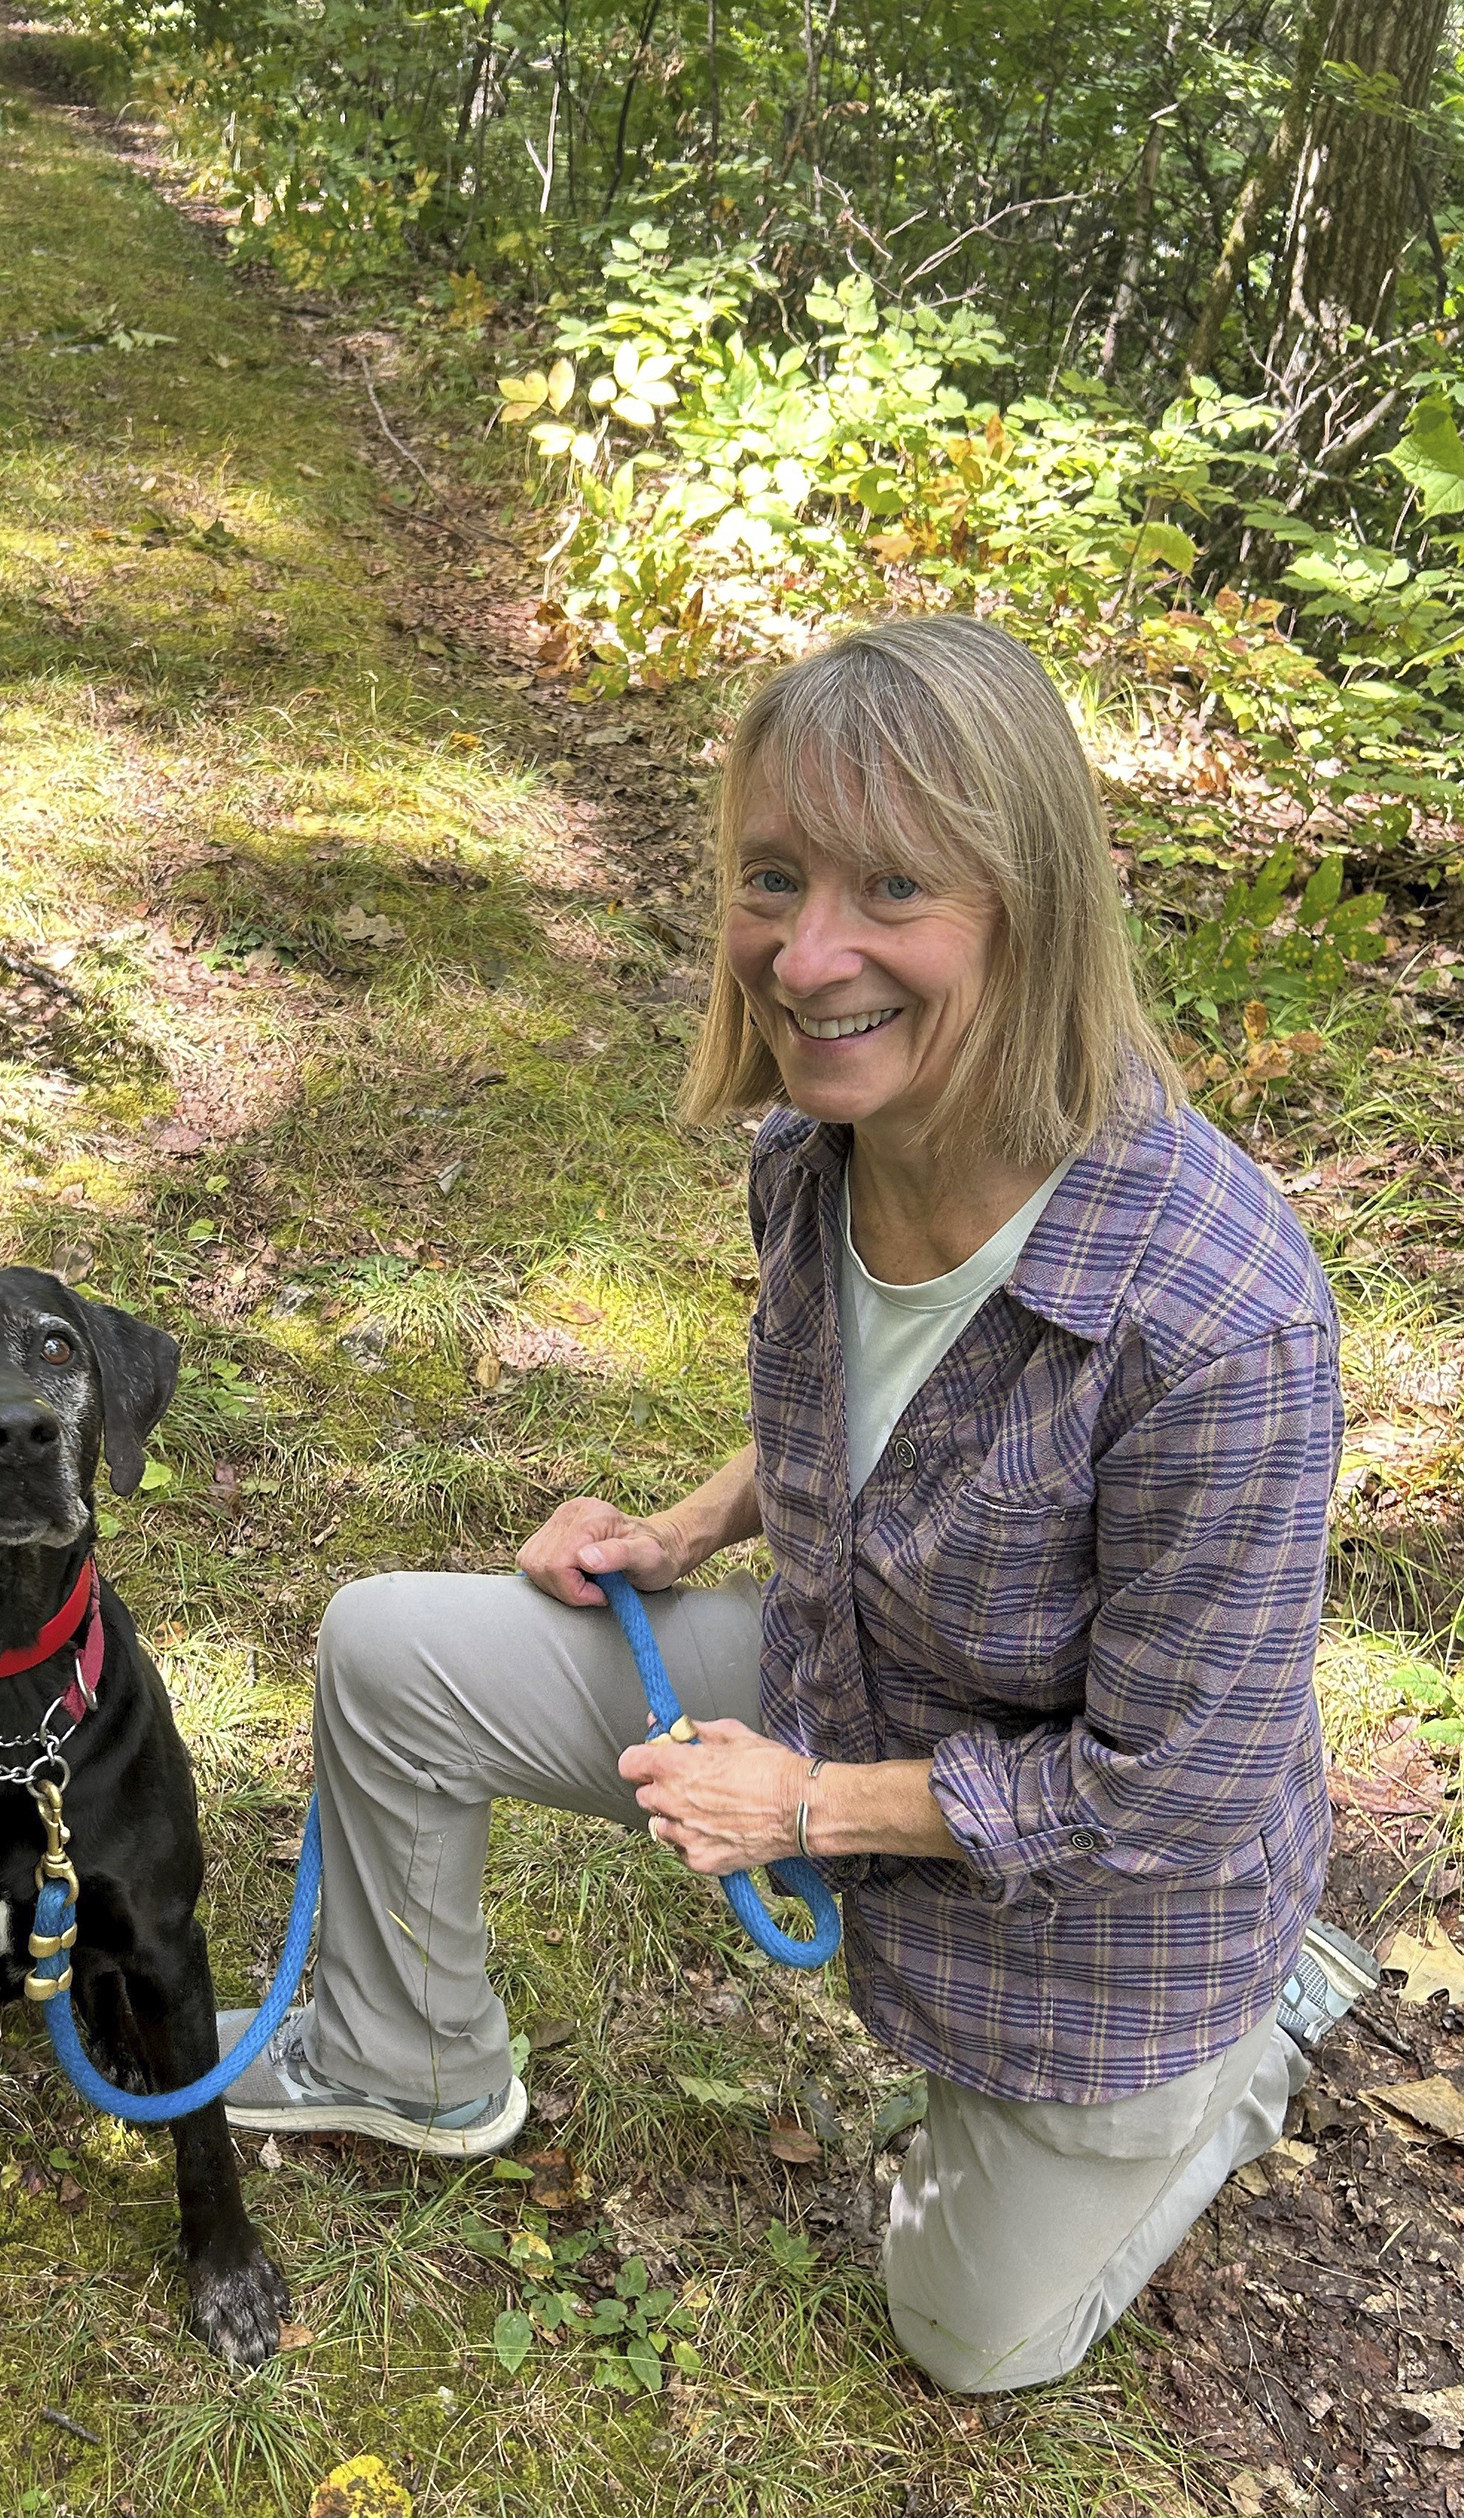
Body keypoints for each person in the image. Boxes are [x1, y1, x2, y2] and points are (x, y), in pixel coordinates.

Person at [215, 613, 1374, 2395]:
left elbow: (1173, 1792)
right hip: (862, 1685)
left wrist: (808, 1804)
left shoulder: (1217, 1321)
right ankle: (401, 2052)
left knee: (971, 2337)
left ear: (1029, 906)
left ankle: (1241, 2060)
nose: (803, 952)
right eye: (772, 877)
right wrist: (678, 1535)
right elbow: (859, 1423)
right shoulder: (812, 1153)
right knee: (393, 1652)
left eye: (891, 888)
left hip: (1106, 1916)